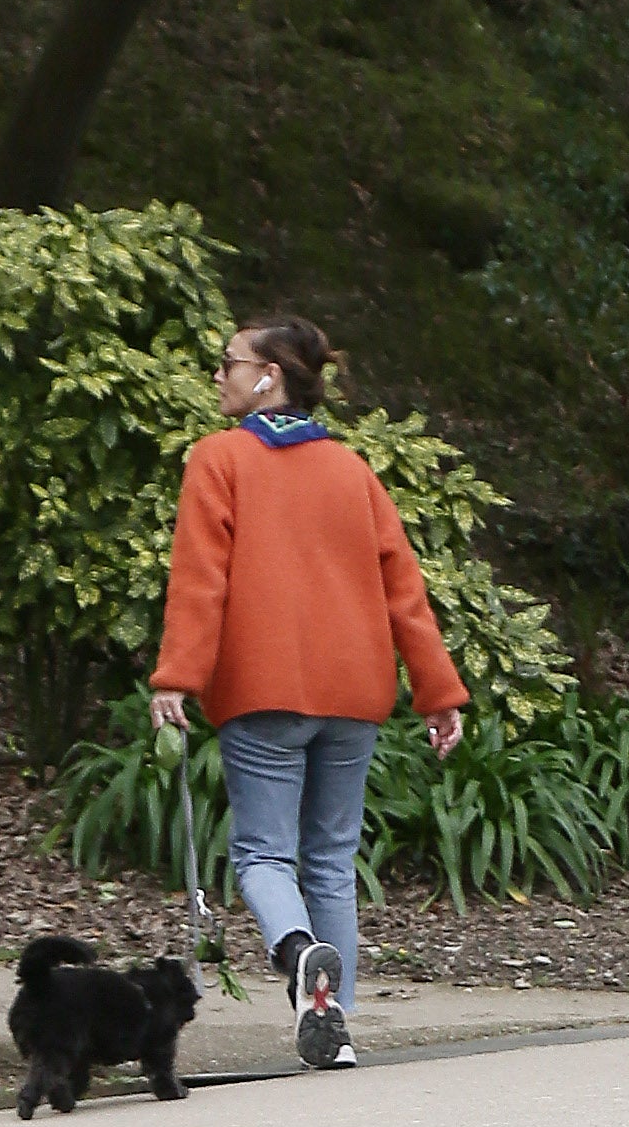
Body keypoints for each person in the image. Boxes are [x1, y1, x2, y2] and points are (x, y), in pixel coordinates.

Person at [149, 315, 464, 1069]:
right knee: (330, 860)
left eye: (229, 364)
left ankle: (297, 955)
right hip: (354, 693)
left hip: (263, 689)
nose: (219, 375)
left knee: (262, 855)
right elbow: (404, 591)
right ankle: (336, 1025)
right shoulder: (351, 470)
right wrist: (437, 693)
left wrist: (176, 679)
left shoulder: (218, 459)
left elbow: (201, 581)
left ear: (269, 377)